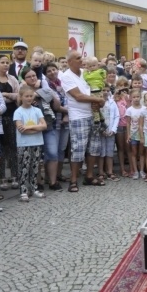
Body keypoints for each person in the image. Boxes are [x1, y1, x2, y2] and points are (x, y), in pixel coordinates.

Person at [59, 51, 105, 191]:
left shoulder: (86, 73)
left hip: (93, 114)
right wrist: (97, 100)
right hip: (78, 116)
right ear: (70, 62)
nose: (81, 60)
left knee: (94, 147)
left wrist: (99, 100)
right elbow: (78, 96)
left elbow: (94, 90)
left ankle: (89, 176)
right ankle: (73, 180)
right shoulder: (66, 76)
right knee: (78, 149)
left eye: (81, 57)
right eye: (78, 58)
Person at [0, 55, 20, 190]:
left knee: (12, 146)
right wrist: (9, 96)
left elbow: (18, 96)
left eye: (7, 63)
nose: (5, 65)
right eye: (2, 62)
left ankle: (14, 175)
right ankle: (1, 177)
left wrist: (6, 95)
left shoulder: (13, 79)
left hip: (12, 115)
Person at [13, 85, 47, 202]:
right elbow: (21, 129)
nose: (29, 98)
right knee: (24, 167)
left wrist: (30, 127)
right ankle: (23, 191)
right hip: (24, 144)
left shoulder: (37, 110)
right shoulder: (18, 112)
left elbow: (44, 125)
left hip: (37, 142)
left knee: (35, 166)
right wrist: (36, 128)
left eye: (31, 96)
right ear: (21, 97)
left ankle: (34, 188)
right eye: (26, 96)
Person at [125, 90, 143, 179]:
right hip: (133, 134)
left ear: (140, 97)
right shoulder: (129, 110)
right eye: (134, 97)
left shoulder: (143, 109)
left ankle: (142, 170)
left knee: (141, 152)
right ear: (131, 98)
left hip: (142, 134)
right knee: (134, 152)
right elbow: (128, 123)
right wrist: (128, 134)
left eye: (137, 97)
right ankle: (135, 171)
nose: (136, 99)